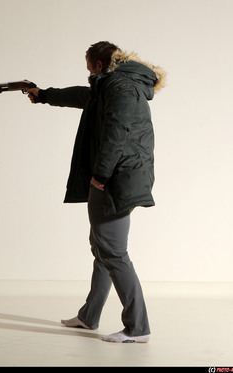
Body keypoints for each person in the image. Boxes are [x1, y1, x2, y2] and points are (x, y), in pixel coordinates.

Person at [27, 41, 166, 343]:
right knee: (102, 247)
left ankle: (137, 328)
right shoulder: (116, 84)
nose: (87, 71)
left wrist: (100, 176)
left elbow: (118, 132)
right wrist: (45, 95)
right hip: (122, 176)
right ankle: (89, 316)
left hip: (116, 179)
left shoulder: (119, 89)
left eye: (88, 65)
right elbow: (83, 95)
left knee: (113, 252)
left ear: (98, 65)